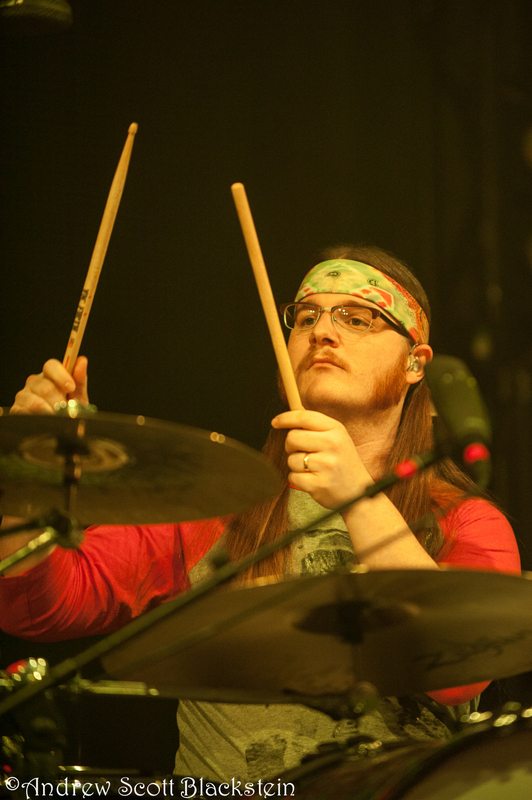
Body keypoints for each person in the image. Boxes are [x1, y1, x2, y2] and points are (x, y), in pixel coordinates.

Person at [0, 245, 521, 785]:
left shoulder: (467, 520)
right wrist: (28, 472)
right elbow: (37, 607)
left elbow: (465, 670)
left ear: (415, 362)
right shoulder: (213, 507)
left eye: (357, 317)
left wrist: (360, 497)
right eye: (307, 316)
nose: (322, 331)